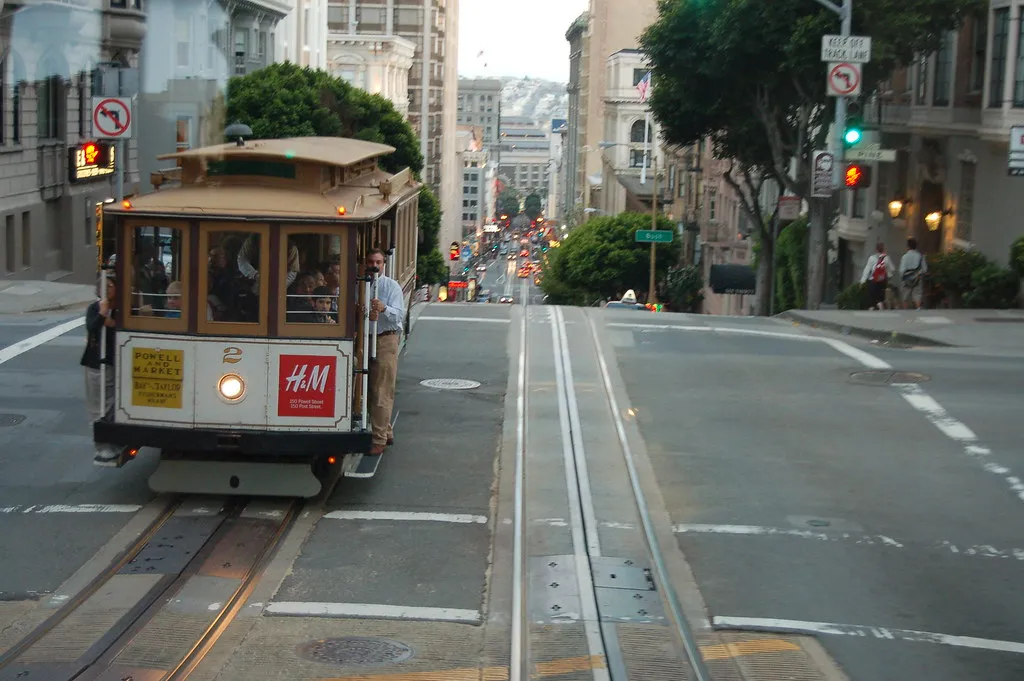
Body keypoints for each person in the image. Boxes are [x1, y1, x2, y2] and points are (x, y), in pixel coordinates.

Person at [363, 248, 405, 455]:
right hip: (365, 339)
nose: (375, 266)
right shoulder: (360, 285)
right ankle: (386, 431)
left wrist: (383, 308)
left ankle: (378, 439)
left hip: (386, 339)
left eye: (378, 262)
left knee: (382, 390)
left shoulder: (391, 286)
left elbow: (398, 317)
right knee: (369, 387)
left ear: (384, 264)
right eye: (371, 262)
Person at [81, 271, 123, 466]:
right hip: (96, 363)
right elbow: (92, 327)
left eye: (110, 286)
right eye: (102, 286)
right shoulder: (94, 308)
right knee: (98, 405)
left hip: (116, 362)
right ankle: (101, 444)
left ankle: (115, 439)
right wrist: (102, 313)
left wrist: (112, 322)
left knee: (113, 403)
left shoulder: (122, 309)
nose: (106, 290)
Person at [859, 242, 894, 310]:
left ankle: (872, 309)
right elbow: (892, 269)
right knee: (880, 297)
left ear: (876, 249)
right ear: (883, 249)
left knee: (871, 298)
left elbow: (867, 270)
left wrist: (862, 281)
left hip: (873, 280)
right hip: (882, 281)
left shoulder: (871, 258)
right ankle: (880, 305)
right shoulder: (886, 258)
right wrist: (888, 275)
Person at [899, 237, 928, 310]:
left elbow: (902, 270)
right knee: (917, 295)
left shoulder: (905, 257)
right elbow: (925, 269)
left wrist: (902, 277)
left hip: (906, 279)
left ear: (908, 246)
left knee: (904, 297)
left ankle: (906, 312)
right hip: (918, 278)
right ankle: (918, 309)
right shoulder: (921, 256)